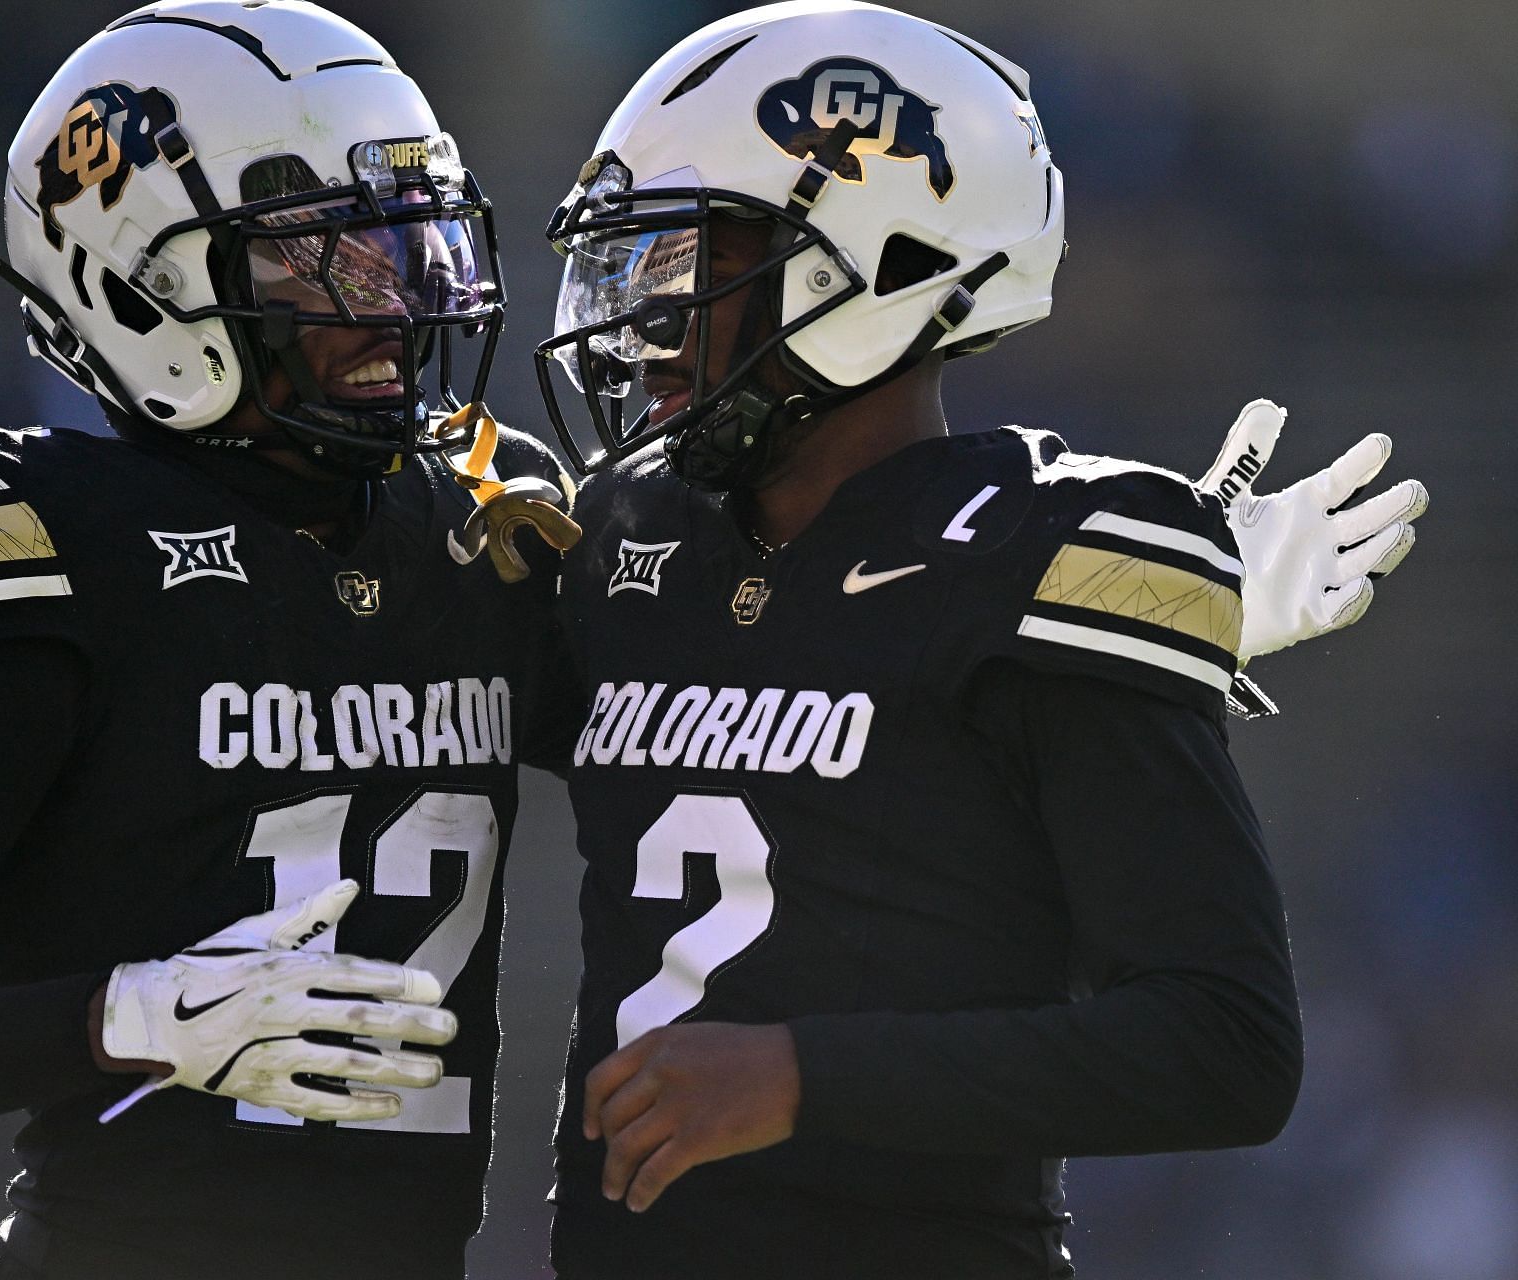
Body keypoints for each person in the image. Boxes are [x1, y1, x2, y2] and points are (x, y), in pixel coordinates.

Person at [532, 3, 1429, 1276]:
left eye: (694, 262)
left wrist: (804, 1074)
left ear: (879, 265)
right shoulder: (628, 535)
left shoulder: (1042, 563)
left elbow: (1224, 1044)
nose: (646, 317)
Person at [0, 5, 577, 1278]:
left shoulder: (475, 518)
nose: (391, 305)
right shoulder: (55, 545)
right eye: (323, 261)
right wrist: (125, 1015)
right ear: (145, 287)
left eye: (409, 243)